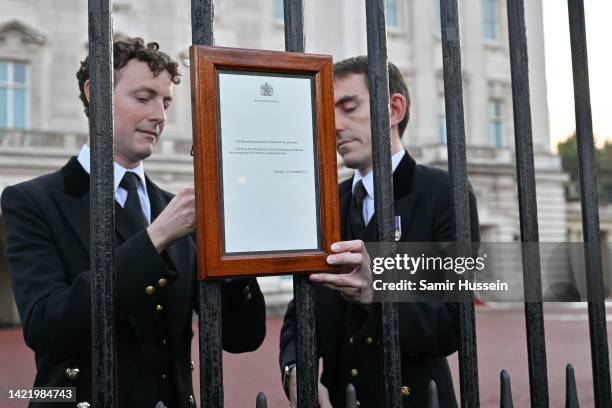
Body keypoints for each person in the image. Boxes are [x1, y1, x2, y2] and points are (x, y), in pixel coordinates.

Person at [1, 37, 266, 408]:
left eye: (166, 102)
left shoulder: (173, 207)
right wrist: (154, 238)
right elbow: (48, 329)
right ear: (96, 94)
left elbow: (241, 338)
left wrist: (233, 253)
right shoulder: (33, 201)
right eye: (143, 98)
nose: (160, 115)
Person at [279, 56, 480, 407]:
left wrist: (380, 292)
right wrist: (295, 370)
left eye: (348, 107)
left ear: (393, 109)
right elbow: (302, 309)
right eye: (328, 112)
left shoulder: (443, 193)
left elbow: (452, 324)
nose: (334, 125)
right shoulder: (325, 201)